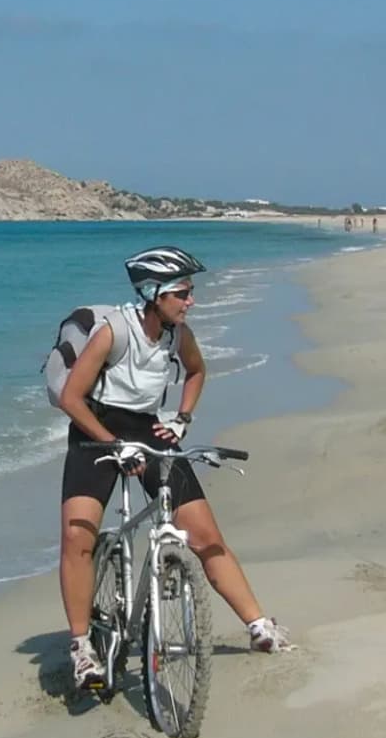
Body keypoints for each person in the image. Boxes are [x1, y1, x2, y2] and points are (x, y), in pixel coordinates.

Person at [56, 246, 287, 689]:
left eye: (190, 292)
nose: (190, 300)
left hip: (146, 428)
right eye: (182, 293)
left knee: (205, 536)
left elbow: (197, 372)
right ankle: (82, 648)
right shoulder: (113, 332)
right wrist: (112, 444)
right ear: (154, 293)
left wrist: (180, 419)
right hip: (94, 430)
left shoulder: (178, 335)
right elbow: (71, 398)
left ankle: (258, 625)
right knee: (77, 534)